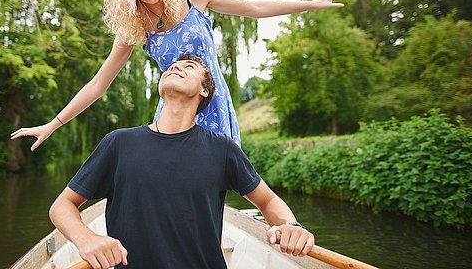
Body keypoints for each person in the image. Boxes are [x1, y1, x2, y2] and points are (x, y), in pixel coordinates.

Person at [11, 0, 347, 148]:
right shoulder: (135, 26)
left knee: (215, 182)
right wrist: (52, 124)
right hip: (173, 113)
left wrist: (312, 3)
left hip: (212, 103)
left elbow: (256, 8)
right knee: (173, 184)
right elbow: (99, 83)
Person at [49, 54, 315, 269]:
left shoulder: (222, 149)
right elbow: (62, 205)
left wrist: (290, 226)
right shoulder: (118, 143)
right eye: (172, 66)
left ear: (204, 90)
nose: (175, 67)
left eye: (188, 66)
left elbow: (267, 201)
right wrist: (86, 239)